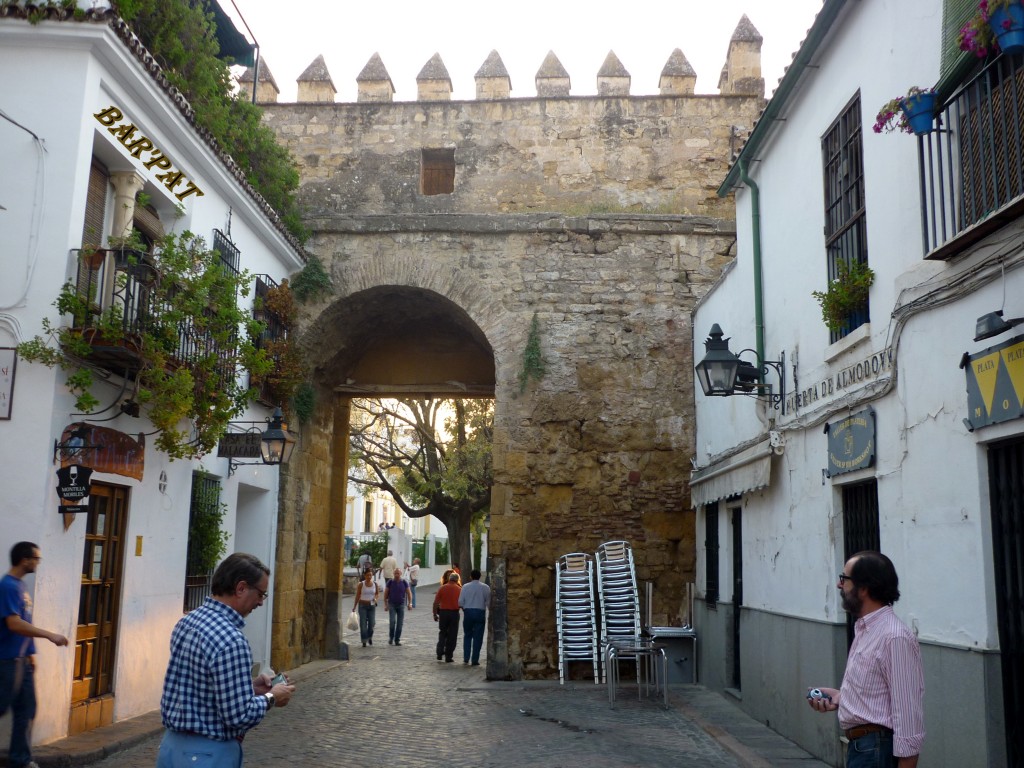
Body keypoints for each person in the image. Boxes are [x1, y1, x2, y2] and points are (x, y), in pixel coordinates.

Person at [157, 553, 296, 767]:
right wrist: (271, 696)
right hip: (208, 755)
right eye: (260, 594)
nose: (260, 602)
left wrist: (249, 688)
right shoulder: (231, 639)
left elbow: (200, 686)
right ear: (240, 588)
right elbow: (239, 716)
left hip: (171, 749)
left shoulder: (187, 622)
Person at [806, 551, 924, 768]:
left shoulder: (894, 637)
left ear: (864, 588)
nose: (839, 585)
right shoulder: (866, 628)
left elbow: (907, 715)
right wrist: (841, 697)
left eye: (844, 579)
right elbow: (878, 694)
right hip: (863, 748)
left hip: (876, 750)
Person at [0, 542, 69, 768]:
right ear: (24, 560)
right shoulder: (8, 586)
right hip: (7, 660)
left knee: (27, 710)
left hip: (22, 661)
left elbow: (25, 622)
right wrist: (50, 635)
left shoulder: (20, 586)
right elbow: (14, 623)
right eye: (36, 558)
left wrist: (30, 654)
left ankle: (21, 760)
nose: (38, 563)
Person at [458, 569, 490, 666]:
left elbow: (460, 602)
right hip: (480, 612)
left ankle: (466, 657)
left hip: (468, 611)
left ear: (471, 576)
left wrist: (465, 609)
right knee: (478, 637)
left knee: (467, 635)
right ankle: (475, 659)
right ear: (480, 576)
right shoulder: (485, 587)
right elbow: (488, 602)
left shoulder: (465, 587)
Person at [433, 572, 462, 663]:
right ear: (457, 580)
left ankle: (439, 651)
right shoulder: (459, 589)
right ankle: (448, 656)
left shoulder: (442, 588)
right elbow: (462, 603)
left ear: (449, 579)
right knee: (452, 635)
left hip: (443, 613)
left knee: (442, 632)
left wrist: (434, 614)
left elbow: (436, 602)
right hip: (454, 613)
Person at [383, 567, 412, 645]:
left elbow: (409, 593)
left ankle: (397, 640)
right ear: (393, 574)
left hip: (401, 604)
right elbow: (386, 593)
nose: (396, 575)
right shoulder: (390, 582)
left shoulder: (404, 582)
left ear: (401, 574)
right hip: (392, 604)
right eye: (395, 573)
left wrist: (410, 603)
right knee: (392, 622)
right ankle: (391, 637)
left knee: (400, 623)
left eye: (398, 573)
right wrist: (385, 604)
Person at [353, 566, 379, 647]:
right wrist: (354, 606)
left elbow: (377, 593)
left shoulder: (375, 584)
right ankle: (364, 640)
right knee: (363, 624)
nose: (369, 577)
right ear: (365, 575)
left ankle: (369, 637)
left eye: (370, 575)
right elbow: (357, 595)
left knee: (372, 623)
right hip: (362, 605)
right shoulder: (361, 584)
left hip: (371, 606)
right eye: (367, 575)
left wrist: (375, 598)